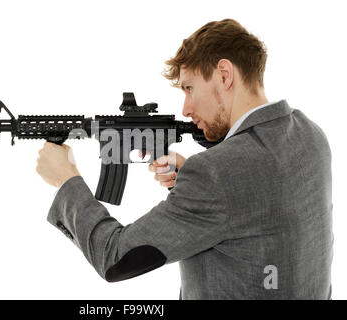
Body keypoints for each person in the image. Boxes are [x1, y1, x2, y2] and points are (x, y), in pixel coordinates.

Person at [36, 18, 333, 299]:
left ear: (224, 75)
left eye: (189, 88)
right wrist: (194, 185)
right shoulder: (311, 135)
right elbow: (262, 205)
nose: (186, 109)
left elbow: (115, 257)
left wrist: (67, 180)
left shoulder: (215, 174)